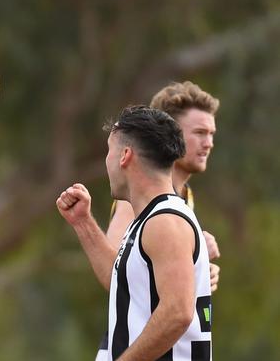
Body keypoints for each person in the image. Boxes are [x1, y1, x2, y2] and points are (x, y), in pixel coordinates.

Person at [57, 106, 213, 360]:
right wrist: (83, 223)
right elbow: (121, 281)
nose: (106, 161)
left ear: (125, 155)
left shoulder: (166, 220)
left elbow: (177, 313)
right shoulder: (150, 218)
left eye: (109, 151)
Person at [96, 81, 221, 360]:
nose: (209, 142)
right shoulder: (138, 202)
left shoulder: (168, 210)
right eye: (199, 132)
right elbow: (118, 275)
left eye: (212, 133)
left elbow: (177, 310)